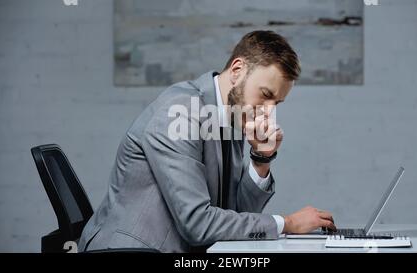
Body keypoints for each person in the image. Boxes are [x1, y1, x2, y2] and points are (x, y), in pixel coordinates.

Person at [78, 30, 336, 253]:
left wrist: (260, 159)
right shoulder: (179, 112)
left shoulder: (230, 115)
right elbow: (198, 224)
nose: (268, 111)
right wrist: (287, 223)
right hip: (132, 250)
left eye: (276, 103)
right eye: (265, 95)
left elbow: (232, 215)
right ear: (237, 70)